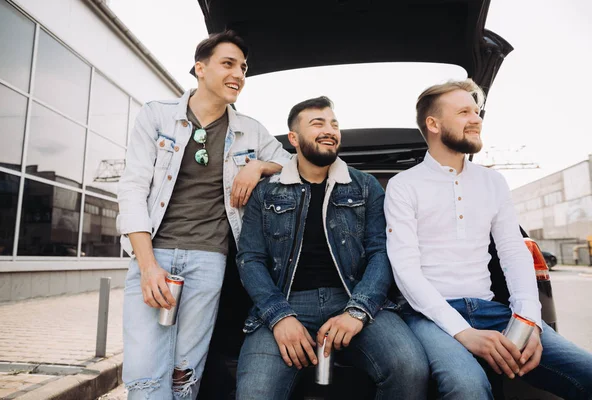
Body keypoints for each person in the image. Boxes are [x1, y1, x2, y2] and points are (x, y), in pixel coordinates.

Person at [384, 78, 592, 399]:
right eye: (464, 112)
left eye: (477, 112)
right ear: (433, 123)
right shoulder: (403, 186)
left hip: (491, 309)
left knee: (586, 371)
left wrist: (529, 321)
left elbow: (513, 252)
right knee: (467, 386)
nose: (476, 119)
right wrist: (463, 333)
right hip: (428, 315)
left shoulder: (493, 181)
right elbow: (406, 272)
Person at [117, 30, 291, 399]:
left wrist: (259, 165)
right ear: (200, 68)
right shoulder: (157, 116)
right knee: (146, 372)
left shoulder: (250, 130)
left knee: (185, 373)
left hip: (210, 259)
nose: (239, 75)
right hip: (155, 253)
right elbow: (132, 189)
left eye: (243, 68)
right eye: (228, 64)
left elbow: (292, 165)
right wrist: (147, 266)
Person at [235, 96, 429, 399]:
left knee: (410, 368)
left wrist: (358, 311)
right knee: (253, 393)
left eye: (334, 124)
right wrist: (279, 316)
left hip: (355, 297)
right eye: (318, 123)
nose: (330, 130)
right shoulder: (266, 191)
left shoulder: (365, 186)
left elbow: (381, 252)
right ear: (294, 138)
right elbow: (250, 259)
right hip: (285, 301)